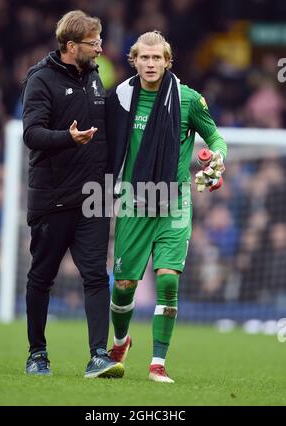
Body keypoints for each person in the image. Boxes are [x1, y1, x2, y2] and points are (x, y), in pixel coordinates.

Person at [106, 31, 227, 383]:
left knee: (168, 280)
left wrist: (216, 161)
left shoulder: (188, 100)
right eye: (144, 57)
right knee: (124, 284)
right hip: (134, 200)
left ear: (167, 61)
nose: (150, 63)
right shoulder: (121, 97)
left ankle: (158, 362)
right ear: (134, 60)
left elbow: (216, 138)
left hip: (175, 202)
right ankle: (120, 342)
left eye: (157, 58)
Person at [22, 10, 123, 378]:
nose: (99, 48)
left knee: (96, 275)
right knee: (42, 277)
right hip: (53, 198)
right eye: (93, 42)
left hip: (93, 198)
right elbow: (31, 134)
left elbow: (110, 135)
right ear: (70, 46)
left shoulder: (96, 78)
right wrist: (68, 137)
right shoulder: (40, 80)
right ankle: (37, 354)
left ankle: (98, 354)